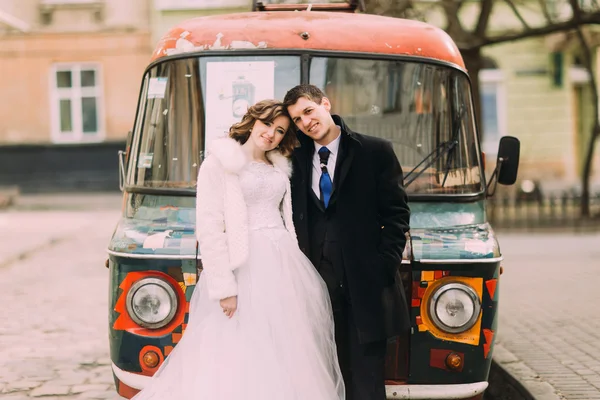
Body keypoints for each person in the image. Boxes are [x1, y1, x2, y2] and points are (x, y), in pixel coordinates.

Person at [131, 99, 345, 400]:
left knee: (284, 346)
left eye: (281, 130)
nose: (271, 133)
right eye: (267, 124)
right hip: (243, 266)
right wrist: (224, 287)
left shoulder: (278, 165)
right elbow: (210, 228)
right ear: (253, 120)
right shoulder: (220, 162)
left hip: (283, 263)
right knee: (240, 346)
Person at [284, 84, 411, 400]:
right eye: (297, 120)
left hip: (365, 285)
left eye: (308, 111)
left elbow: (397, 214)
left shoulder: (374, 151)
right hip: (316, 286)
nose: (305, 123)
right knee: (323, 377)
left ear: (325, 104)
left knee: (366, 381)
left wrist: (384, 266)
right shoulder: (294, 159)